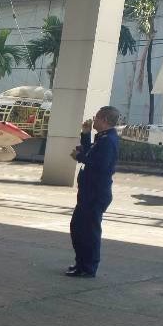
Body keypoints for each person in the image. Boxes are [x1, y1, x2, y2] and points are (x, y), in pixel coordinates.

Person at [67, 106, 121, 278]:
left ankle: (88, 267)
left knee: (89, 231)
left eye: (96, 117)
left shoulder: (108, 141)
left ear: (104, 119)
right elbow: (91, 152)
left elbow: (100, 165)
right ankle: (81, 263)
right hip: (89, 191)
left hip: (96, 193)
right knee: (78, 228)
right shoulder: (103, 138)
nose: (94, 120)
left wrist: (79, 157)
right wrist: (85, 134)